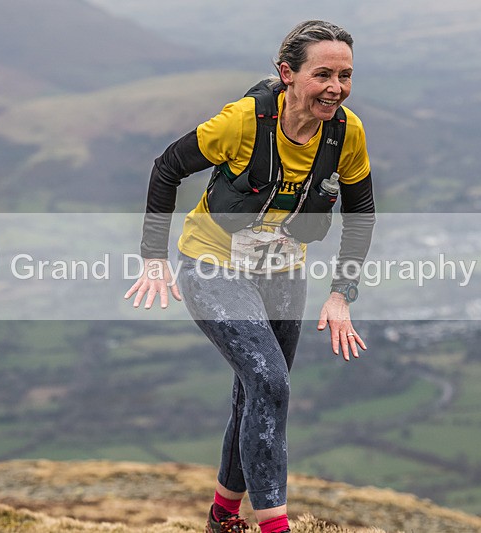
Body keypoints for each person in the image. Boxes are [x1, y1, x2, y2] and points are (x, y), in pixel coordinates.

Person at [126, 20, 375, 533]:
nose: (336, 87)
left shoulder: (347, 132)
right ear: (287, 74)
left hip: (283, 270)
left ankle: (223, 514)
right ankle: (274, 525)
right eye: (322, 74)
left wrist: (342, 293)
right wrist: (153, 256)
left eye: (345, 75)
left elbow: (362, 211)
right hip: (212, 263)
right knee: (269, 381)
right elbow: (167, 167)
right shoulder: (241, 122)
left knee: (258, 392)